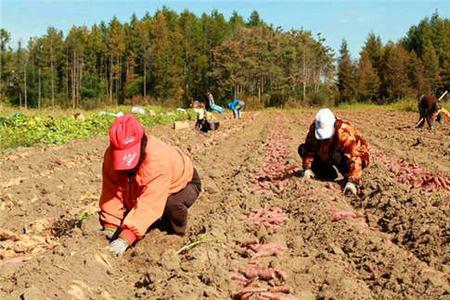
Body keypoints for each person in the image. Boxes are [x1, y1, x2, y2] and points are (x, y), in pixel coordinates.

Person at [99, 114, 202, 256]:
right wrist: (110, 226)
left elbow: (150, 203)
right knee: (132, 209)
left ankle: (176, 235)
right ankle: (150, 222)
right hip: (147, 184)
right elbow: (111, 191)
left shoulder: (157, 159)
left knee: (170, 206)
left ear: (142, 143)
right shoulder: (110, 156)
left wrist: (124, 239)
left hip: (184, 184)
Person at [298, 108, 370, 195]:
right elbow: (310, 147)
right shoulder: (314, 128)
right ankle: (328, 174)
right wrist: (308, 167)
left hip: (355, 156)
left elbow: (355, 157)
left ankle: (349, 176)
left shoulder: (345, 132)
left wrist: (353, 181)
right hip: (329, 151)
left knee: (336, 156)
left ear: (334, 125)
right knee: (302, 149)